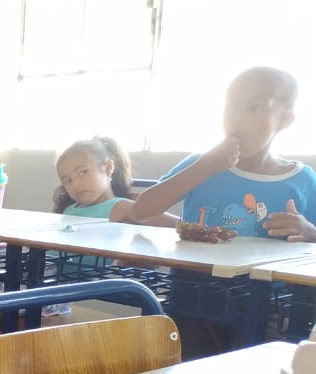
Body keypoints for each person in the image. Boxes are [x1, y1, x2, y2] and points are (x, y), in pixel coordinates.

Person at [130, 66, 316, 355]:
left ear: (285, 120)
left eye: (254, 107)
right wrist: (205, 166)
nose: (237, 117)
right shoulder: (201, 164)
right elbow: (141, 210)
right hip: (192, 301)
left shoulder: (302, 180)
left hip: (264, 310)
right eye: (230, 107)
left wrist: (308, 231)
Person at [0, 136, 173, 345]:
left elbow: (160, 218)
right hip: (29, 274)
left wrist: (194, 228)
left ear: (108, 168)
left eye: (83, 172)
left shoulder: (118, 207)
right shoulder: (72, 209)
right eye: (67, 180)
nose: (75, 184)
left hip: (52, 287)